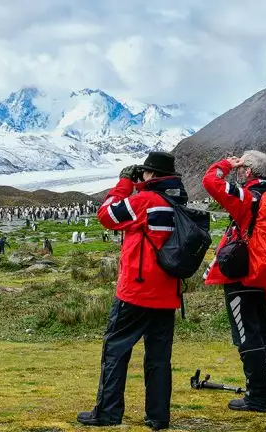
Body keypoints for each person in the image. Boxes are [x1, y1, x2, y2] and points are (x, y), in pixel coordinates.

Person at [78, 152, 186, 430]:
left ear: (151, 175)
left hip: (137, 292)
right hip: (166, 293)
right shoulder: (178, 202)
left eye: (146, 173)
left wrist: (125, 183)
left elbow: (107, 215)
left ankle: (108, 413)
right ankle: (158, 416)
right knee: (159, 358)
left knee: (116, 350)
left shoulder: (145, 201)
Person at [201, 151, 266, 413]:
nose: (238, 171)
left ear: (248, 171)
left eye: (242, 167)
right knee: (263, 334)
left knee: (247, 336)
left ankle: (258, 396)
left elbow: (210, 182)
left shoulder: (248, 197)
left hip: (241, 275)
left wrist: (227, 164)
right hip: (263, 274)